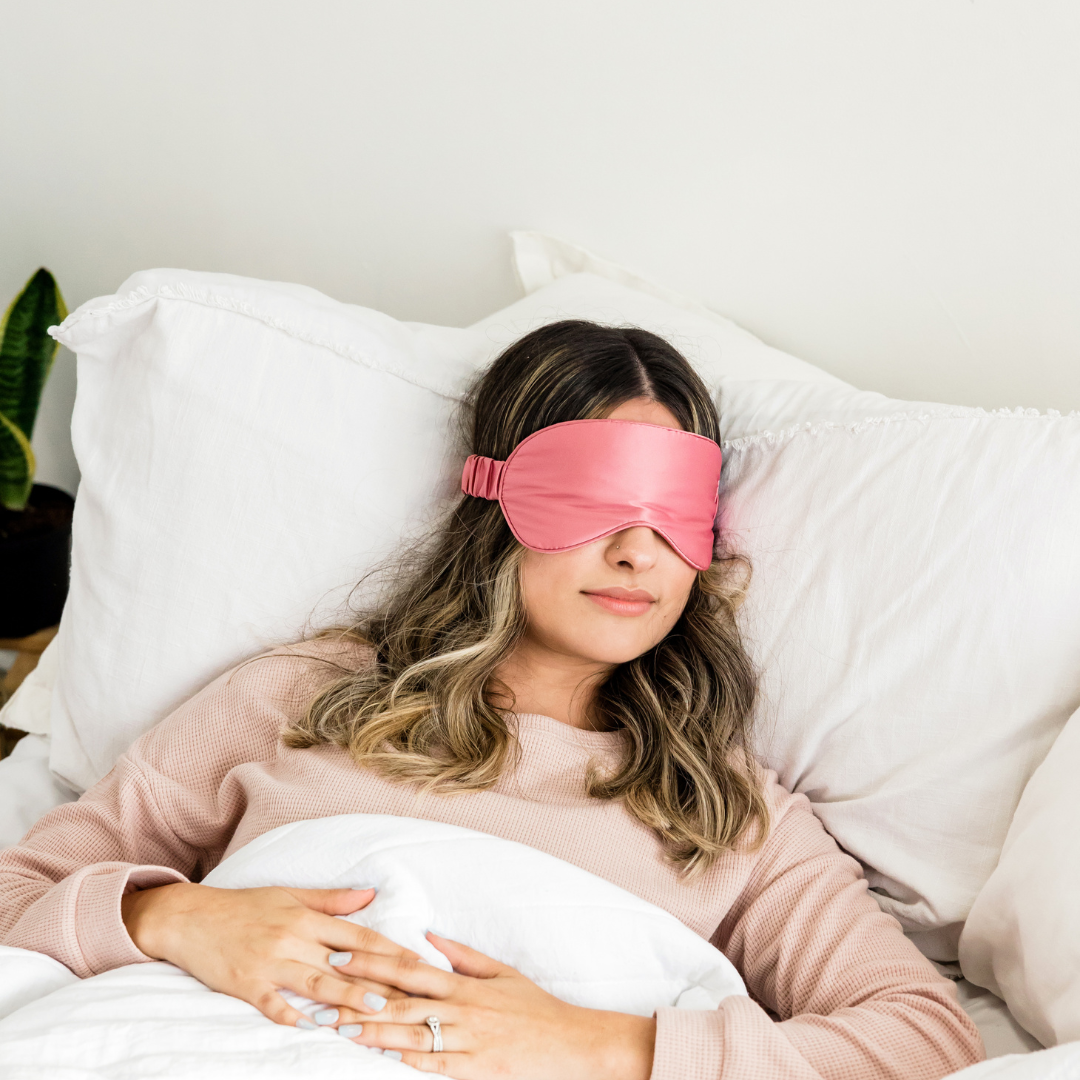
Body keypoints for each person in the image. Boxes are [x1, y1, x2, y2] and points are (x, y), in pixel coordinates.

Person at [0, 321, 982, 1080]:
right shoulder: (303, 694)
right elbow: (20, 895)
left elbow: (924, 1039)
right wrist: (173, 919)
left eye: (674, 512)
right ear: (495, 499)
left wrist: (597, 1045)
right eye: (596, 500)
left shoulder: (730, 813)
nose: (637, 552)